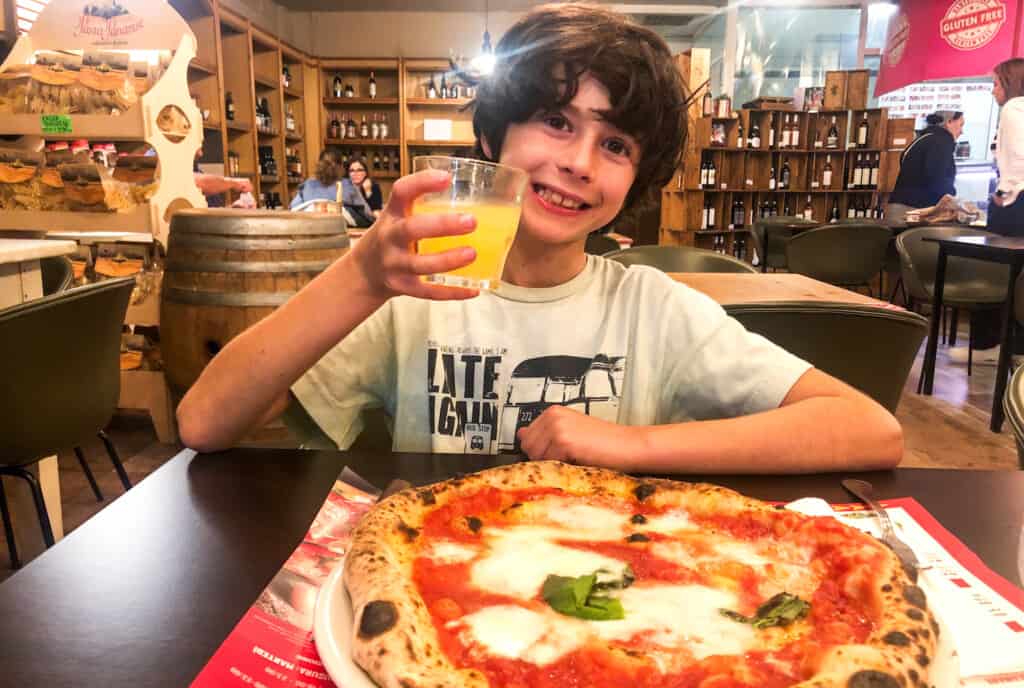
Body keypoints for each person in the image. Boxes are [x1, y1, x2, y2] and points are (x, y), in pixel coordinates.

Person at [177, 3, 902, 473]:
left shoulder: (651, 307)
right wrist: (363, 273)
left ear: (634, 181)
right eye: (556, 121)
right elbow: (204, 421)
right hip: (439, 581)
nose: (579, 163)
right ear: (493, 134)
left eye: (616, 144)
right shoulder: (415, 291)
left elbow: (870, 430)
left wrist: (634, 444)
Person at [949, 59, 1024, 366]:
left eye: (996, 83)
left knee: (995, 270)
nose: (993, 91)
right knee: (1019, 277)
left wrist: (1005, 193)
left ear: (1011, 83)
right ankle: (1015, 347)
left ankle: (987, 345)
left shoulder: (1013, 109)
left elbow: (1018, 157)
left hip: (1015, 203)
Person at [885, 110, 964, 224]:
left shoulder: (921, 140)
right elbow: (938, 178)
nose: (962, 131)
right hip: (917, 212)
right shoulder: (942, 141)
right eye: (961, 125)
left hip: (898, 208)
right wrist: (952, 200)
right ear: (949, 122)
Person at [290, 149, 375, 226]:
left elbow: (293, 209)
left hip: (310, 231)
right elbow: (367, 214)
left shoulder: (307, 185)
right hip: (342, 234)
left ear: (318, 165)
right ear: (341, 167)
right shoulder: (349, 185)